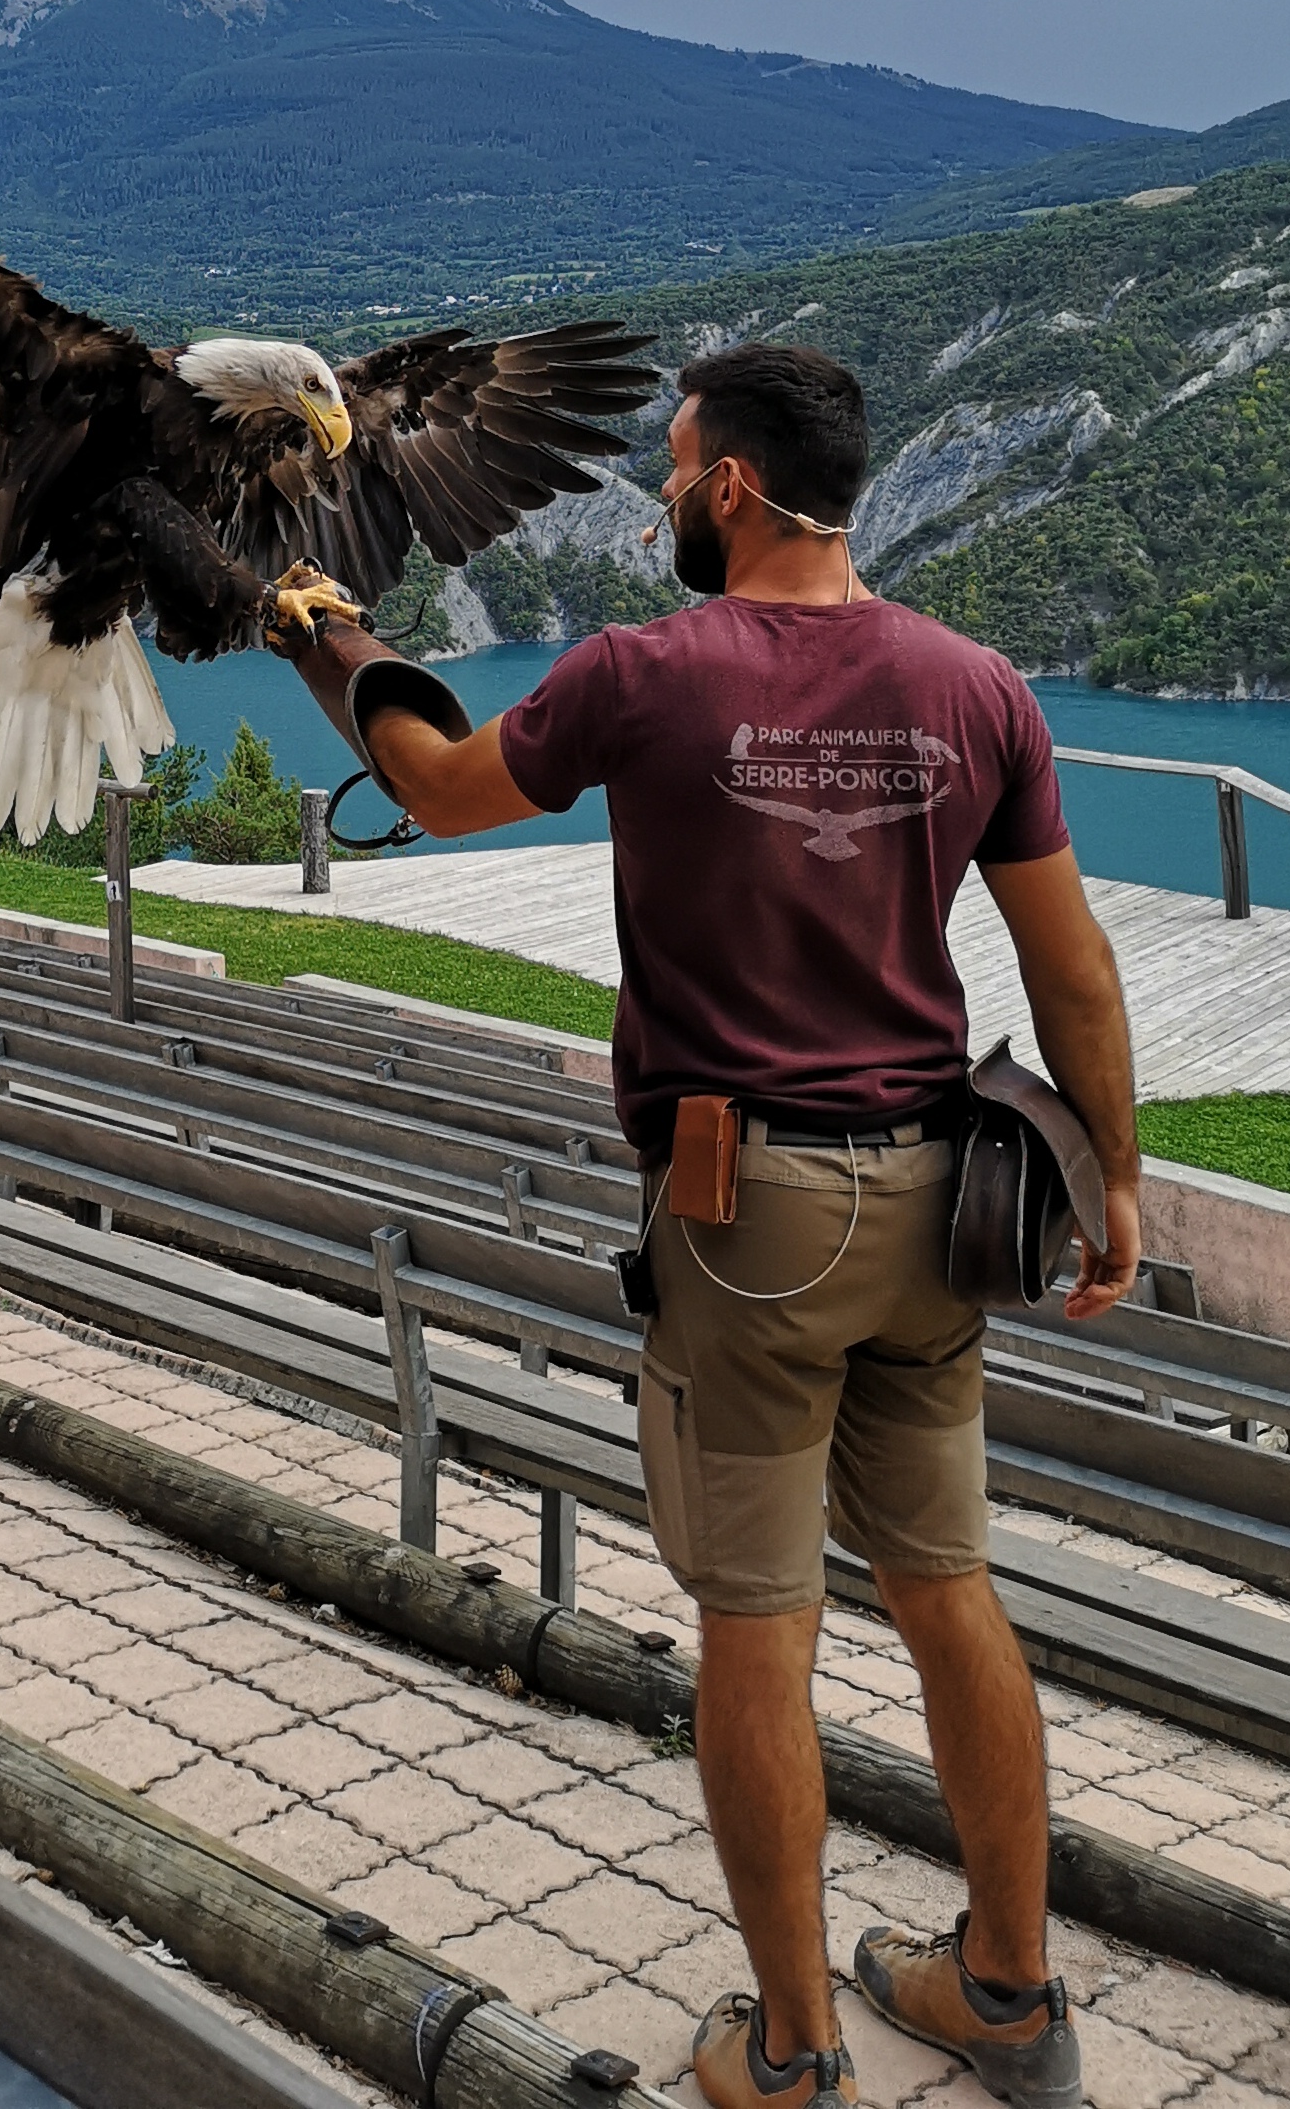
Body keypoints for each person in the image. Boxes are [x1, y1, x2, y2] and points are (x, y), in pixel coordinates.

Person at [320, 343, 1140, 2109]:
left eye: (677, 465)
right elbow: (1069, 967)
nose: (664, 494)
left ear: (740, 490)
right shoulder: (976, 684)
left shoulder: (643, 676)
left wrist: (337, 647)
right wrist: (1122, 1178)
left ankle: (791, 2052)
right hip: (942, 1206)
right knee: (949, 1593)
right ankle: (1006, 1993)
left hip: (744, 1211)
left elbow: (444, 788)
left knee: (758, 1627)